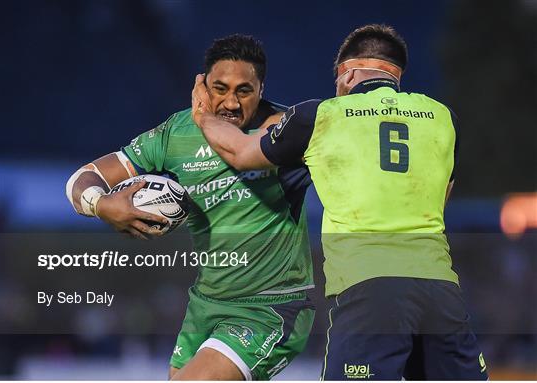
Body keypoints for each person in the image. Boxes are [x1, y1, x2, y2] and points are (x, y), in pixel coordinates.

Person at [191, 25, 488, 380]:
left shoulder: (321, 116)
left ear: (348, 74)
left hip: (370, 290)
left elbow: (240, 151)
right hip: (442, 292)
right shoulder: (443, 118)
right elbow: (439, 203)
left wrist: (204, 116)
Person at [66, 34, 315, 381]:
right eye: (220, 88)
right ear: (203, 86)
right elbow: (85, 177)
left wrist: (204, 119)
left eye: (244, 90)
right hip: (206, 304)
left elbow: (243, 154)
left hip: (268, 306)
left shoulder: (283, 128)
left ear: (261, 88)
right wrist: (101, 204)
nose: (230, 102)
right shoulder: (176, 133)